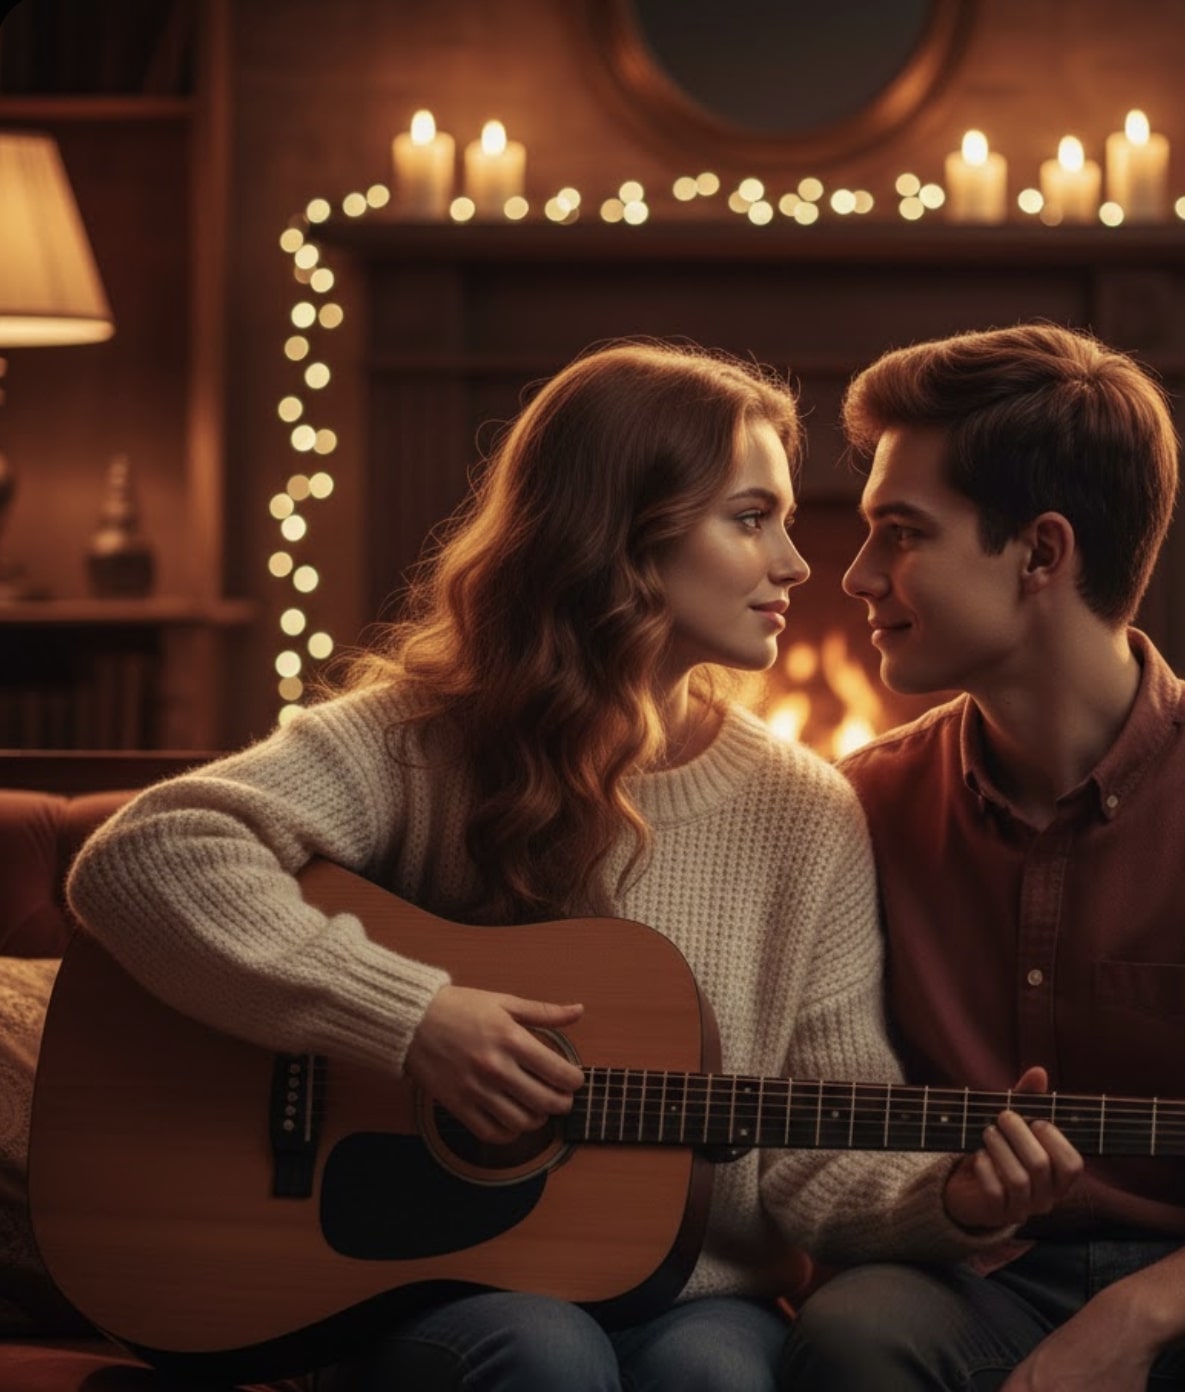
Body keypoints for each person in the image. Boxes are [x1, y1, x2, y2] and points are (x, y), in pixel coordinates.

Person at [65, 340, 1050, 1392]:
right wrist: (413, 1019)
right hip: (432, 1277)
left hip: (694, 1296)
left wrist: (947, 1201)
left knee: (714, 1383)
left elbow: (815, 1155)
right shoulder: (422, 738)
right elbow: (143, 858)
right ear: (625, 532)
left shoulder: (804, 812)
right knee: (544, 1358)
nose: (797, 564)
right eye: (749, 517)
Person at [779, 322, 1185, 1392]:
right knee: (852, 1332)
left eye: (900, 533)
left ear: (1040, 553)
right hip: (968, 1281)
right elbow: (828, 1136)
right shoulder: (860, 806)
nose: (854, 574)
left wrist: (1133, 1316)